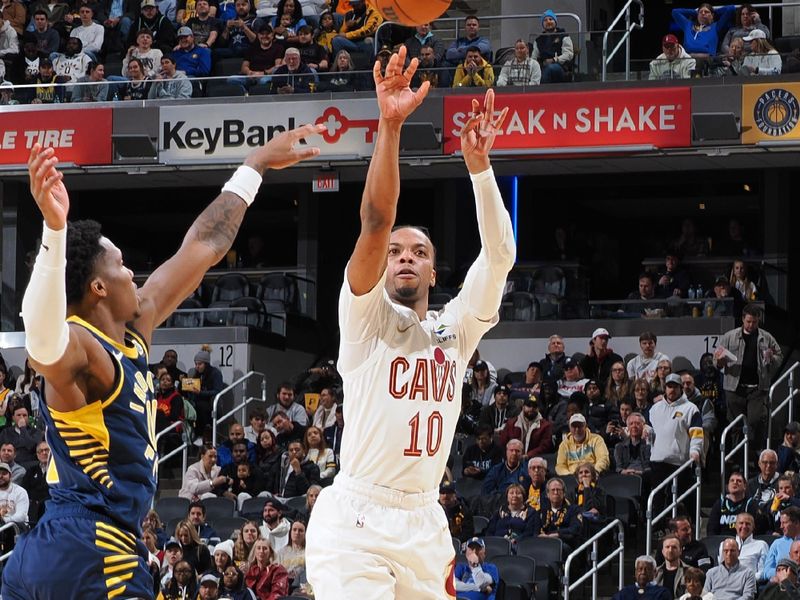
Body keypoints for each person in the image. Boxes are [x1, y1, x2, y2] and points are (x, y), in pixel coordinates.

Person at [1, 124, 323, 600]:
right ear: (98, 288)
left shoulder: (134, 328)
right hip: (94, 550)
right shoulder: (80, 349)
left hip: (53, 549)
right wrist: (54, 230)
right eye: (121, 264)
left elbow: (204, 245)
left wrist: (254, 166)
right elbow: (41, 341)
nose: (133, 271)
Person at [305, 48, 515, 598]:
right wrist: (389, 126)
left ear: (432, 267)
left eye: (416, 251)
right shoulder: (367, 319)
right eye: (395, 251)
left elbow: (498, 257)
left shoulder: (458, 329)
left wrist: (480, 168)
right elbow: (375, 221)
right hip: (356, 519)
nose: (401, 256)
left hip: (425, 522)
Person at [715, 304, 782, 461]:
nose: (751, 325)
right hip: (734, 387)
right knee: (735, 424)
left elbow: (779, 356)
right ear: (743, 319)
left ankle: (755, 453)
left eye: (754, 322)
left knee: (755, 420)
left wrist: (772, 357)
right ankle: (737, 458)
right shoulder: (729, 336)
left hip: (757, 388)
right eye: (748, 322)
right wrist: (720, 361)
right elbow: (715, 361)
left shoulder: (767, 337)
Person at [671, 3, 736, 58]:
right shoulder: (688, 25)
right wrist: (695, 12)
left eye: (706, 12)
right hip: (688, 61)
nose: (703, 13)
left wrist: (714, 12)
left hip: (707, 62)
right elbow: (675, 12)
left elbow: (731, 9)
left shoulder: (716, 26)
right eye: (701, 12)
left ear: (712, 15)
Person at [499, 394, 553, 459]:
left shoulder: (545, 426)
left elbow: (544, 447)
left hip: (534, 459)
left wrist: (528, 455)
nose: (531, 409)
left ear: (538, 409)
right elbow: (503, 442)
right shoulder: (511, 423)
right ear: (523, 407)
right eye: (529, 406)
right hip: (512, 458)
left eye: (534, 406)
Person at [717, 512, 768, 580]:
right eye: (741, 523)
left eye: (748, 524)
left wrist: (745, 579)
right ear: (735, 525)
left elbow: (762, 573)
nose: (744, 526)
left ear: (753, 527)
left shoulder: (761, 545)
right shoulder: (724, 544)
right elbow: (721, 569)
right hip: (727, 583)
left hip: (749, 584)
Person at [532, 9, 574, 83]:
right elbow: (534, 58)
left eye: (550, 19)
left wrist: (554, 60)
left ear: (555, 21)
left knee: (551, 68)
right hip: (543, 68)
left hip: (561, 68)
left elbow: (569, 54)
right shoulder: (538, 40)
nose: (548, 22)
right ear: (543, 24)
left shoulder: (563, 36)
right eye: (545, 20)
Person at [764, 507, 800, 581]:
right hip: (780, 584)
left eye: (784, 523)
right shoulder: (777, 544)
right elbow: (767, 571)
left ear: (796, 523)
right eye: (781, 523)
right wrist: (783, 574)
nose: (781, 527)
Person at [656, 534, 690, 599]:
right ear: (662, 551)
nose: (670, 550)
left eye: (674, 547)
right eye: (667, 547)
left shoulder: (689, 572)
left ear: (680, 551)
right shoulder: (655, 573)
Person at [275, 519, 306, 590]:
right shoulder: (281, 552)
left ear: (305, 534)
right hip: (283, 586)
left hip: (301, 587)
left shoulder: (309, 553)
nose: (297, 533)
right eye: (294, 530)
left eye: (300, 530)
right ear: (290, 532)